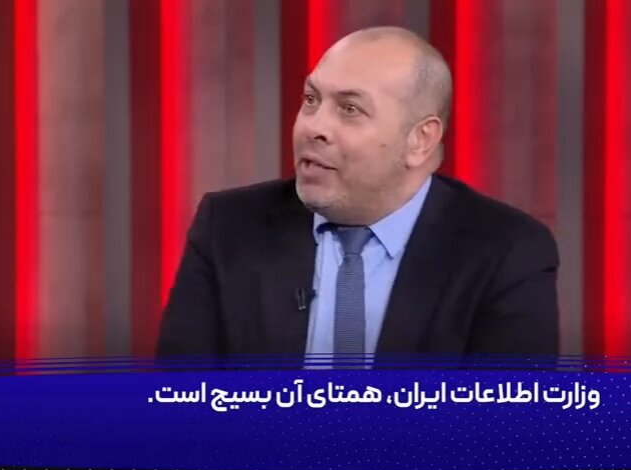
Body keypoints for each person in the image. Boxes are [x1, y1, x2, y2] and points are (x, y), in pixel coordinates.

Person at [156, 26, 559, 359]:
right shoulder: (229, 227)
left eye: (350, 109)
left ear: (420, 140)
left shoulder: (506, 251)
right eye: (311, 100)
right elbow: (177, 402)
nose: (314, 127)